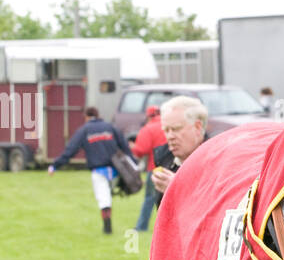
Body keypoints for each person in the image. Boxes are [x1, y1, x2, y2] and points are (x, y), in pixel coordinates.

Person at [47, 106, 134, 234]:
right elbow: (125, 146)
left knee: (103, 198)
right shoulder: (110, 127)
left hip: (99, 171)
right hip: (116, 170)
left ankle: (107, 228)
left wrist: (55, 165)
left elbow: (71, 150)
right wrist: (134, 165)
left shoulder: (84, 130)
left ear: (86, 117)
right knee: (108, 196)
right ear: (98, 115)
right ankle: (109, 219)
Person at [151, 95, 209, 203]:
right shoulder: (163, 157)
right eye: (166, 130)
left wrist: (179, 188)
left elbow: (214, 209)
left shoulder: (217, 160)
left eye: (176, 129)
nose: (170, 136)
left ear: (197, 127)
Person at [130, 105, 165, 232]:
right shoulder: (170, 125)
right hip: (174, 168)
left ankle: (141, 226)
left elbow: (141, 150)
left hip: (155, 168)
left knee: (150, 198)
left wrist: (132, 147)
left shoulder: (148, 128)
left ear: (149, 116)